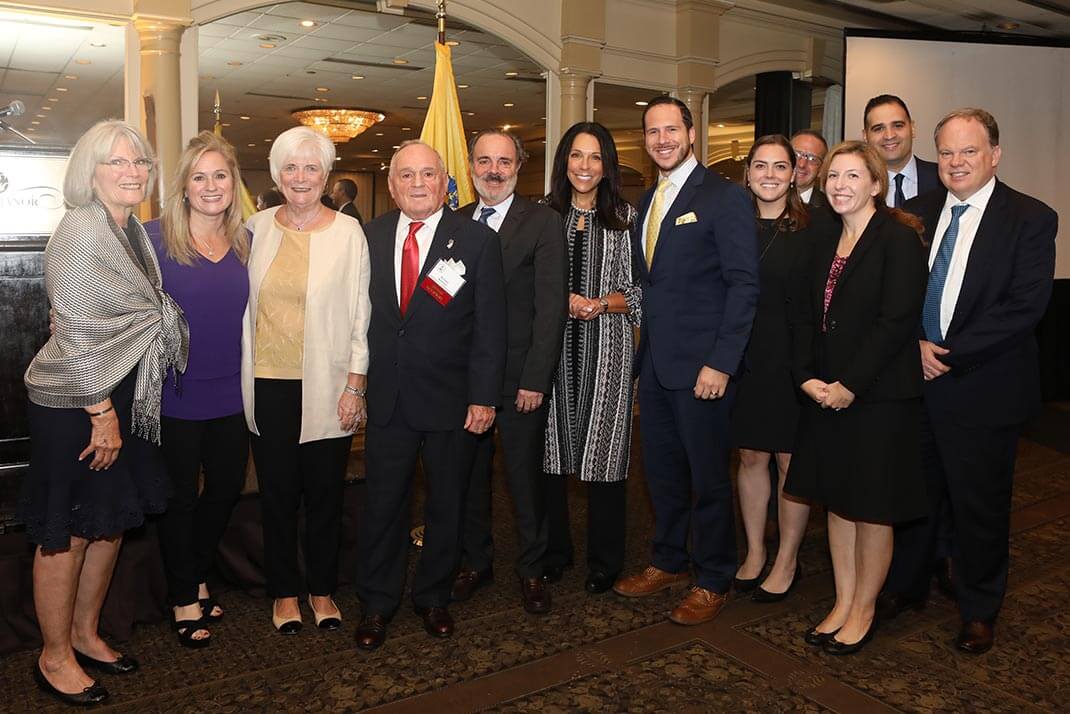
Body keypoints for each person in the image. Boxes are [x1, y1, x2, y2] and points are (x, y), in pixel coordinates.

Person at [20, 119, 188, 706]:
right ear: (89, 173)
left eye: (139, 162)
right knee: (66, 532)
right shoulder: (80, 230)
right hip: (77, 401)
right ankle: (54, 654)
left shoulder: (132, 229)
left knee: (109, 521)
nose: (131, 172)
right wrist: (100, 413)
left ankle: (86, 634)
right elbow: (75, 331)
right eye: (116, 162)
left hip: (125, 392)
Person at [883, 108, 1057, 654]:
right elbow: (895, 292)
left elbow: (1023, 307)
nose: (957, 163)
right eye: (949, 152)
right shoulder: (913, 213)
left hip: (984, 387)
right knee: (913, 494)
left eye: (970, 152)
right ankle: (907, 588)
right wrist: (913, 345)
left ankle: (979, 608)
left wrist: (946, 355)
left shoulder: (1031, 217)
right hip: (916, 382)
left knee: (979, 505)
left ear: (994, 156)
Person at [613, 96, 759, 626]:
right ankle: (668, 560)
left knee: (707, 478)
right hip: (653, 366)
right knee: (662, 473)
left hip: (703, 371)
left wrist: (721, 362)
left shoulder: (723, 198)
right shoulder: (648, 199)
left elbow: (744, 286)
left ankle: (714, 576)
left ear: (691, 133)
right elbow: (652, 285)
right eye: (652, 131)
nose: (662, 139)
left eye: (671, 129)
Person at [355, 140, 505, 650]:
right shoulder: (367, 237)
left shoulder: (477, 241)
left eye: (428, 174)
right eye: (406, 175)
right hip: (388, 399)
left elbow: (491, 329)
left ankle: (433, 597)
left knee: (447, 506)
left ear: (445, 181)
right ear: (392, 183)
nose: (417, 183)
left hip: (452, 400)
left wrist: (484, 397)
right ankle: (377, 602)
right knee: (382, 505)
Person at [785, 140, 928, 655]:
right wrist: (806, 376)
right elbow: (804, 316)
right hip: (825, 394)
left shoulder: (898, 238)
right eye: (832, 177)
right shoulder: (823, 239)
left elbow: (895, 324)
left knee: (872, 507)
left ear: (875, 183)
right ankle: (843, 601)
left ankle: (865, 609)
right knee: (838, 501)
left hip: (879, 399)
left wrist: (850, 386)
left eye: (851, 176)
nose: (840, 185)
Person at [242, 126, 371, 635]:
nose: (301, 178)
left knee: (325, 496)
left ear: (326, 176)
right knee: (275, 497)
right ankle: (283, 593)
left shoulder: (348, 232)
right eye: (291, 168)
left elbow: (360, 314)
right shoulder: (254, 229)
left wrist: (355, 385)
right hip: (267, 382)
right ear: (277, 174)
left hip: (328, 383)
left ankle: (321, 590)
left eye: (311, 168)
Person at [452, 129, 567, 612]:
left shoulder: (542, 222)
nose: (493, 170)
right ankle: (476, 562)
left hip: (520, 379)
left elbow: (551, 308)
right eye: (484, 161)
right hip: (464, 379)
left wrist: (535, 379)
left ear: (519, 166)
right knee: (468, 477)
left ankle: (532, 568)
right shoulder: (453, 221)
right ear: (472, 165)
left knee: (523, 480)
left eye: (503, 161)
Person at [145, 131, 250, 648]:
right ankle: (185, 595)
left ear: (234, 183)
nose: (211, 186)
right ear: (184, 187)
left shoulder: (248, 241)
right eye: (199, 177)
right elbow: (105, 293)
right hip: (174, 393)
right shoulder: (152, 239)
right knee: (180, 498)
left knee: (227, 489)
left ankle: (195, 570)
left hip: (234, 393)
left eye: (220, 175)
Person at [541, 122, 642, 594]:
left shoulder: (627, 219)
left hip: (610, 351)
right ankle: (555, 552)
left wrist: (601, 303)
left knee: (605, 458)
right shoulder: (543, 216)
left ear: (608, 165)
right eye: (576, 156)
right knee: (551, 456)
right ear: (564, 161)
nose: (584, 166)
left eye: (595, 157)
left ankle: (605, 560)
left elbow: (643, 291)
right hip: (552, 352)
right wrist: (559, 300)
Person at [731, 135, 821, 603]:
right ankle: (753, 552)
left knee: (789, 460)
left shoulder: (815, 227)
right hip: (744, 357)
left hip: (792, 359)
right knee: (750, 456)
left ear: (794, 174)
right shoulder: (733, 223)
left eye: (780, 166)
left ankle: (787, 558)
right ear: (747, 172)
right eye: (760, 166)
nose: (769, 174)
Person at [862, 94, 940, 207]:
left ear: (912, 129)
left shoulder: (942, 179)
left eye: (898, 125)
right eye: (878, 129)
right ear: (865, 136)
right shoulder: (857, 187)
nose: (889, 136)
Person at [790, 130, 829, 208]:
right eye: (796, 155)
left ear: (821, 169)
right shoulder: (762, 201)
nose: (801, 164)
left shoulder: (831, 212)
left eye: (812, 159)